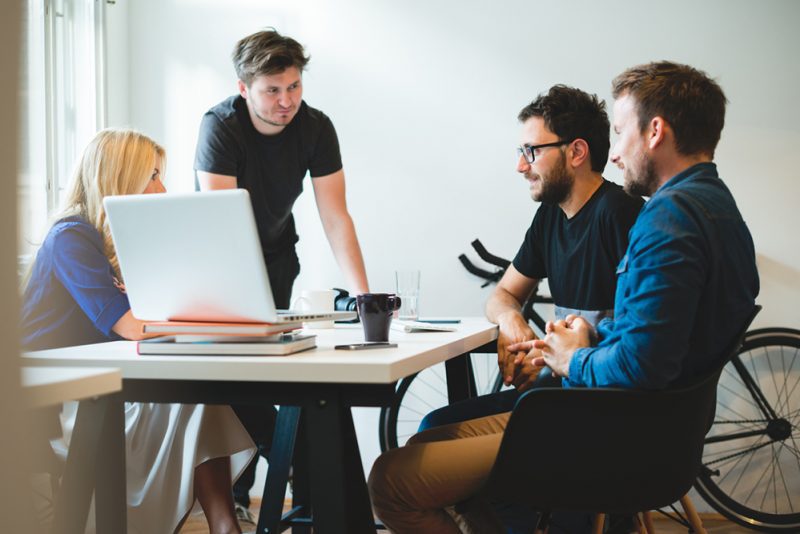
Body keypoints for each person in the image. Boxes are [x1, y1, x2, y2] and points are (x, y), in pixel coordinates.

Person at [367, 61, 759, 534]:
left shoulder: (665, 218)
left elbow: (643, 366)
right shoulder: (718, 205)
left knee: (391, 480)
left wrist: (571, 359)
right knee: (432, 434)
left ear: (655, 131)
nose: (613, 154)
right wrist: (589, 334)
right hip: (641, 427)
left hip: (608, 431)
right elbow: (656, 332)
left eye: (619, 133)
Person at [21, 128, 256, 534]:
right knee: (193, 401)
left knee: (199, 400)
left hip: (100, 383)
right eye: (152, 175)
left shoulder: (110, 241)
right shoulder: (71, 238)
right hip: (60, 400)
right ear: (119, 176)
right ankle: (225, 526)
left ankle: (224, 526)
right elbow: (131, 326)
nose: (161, 188)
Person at [194, 28, 370, 522]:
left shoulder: (317, 127)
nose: (286, 100)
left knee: (267, 373)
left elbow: (335, 216)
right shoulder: (220, 126)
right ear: (244, 86)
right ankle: (279, 474)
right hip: (220, 261)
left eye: (293, 86)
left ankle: (302, 483)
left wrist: (363, 296)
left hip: (276, 257)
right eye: (273, 90)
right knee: (233, 379)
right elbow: (221, 221)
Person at [419, 85, 643, 434]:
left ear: (577, 152)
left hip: (599, 406)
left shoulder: (620, 214)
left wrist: (545, 360)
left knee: (436, 431)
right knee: (435, 424)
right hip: (565, 388)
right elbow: (502, 296)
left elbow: (634, 340)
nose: (521, 166)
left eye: (531, 151)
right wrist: (513, 323)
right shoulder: (550, 217)